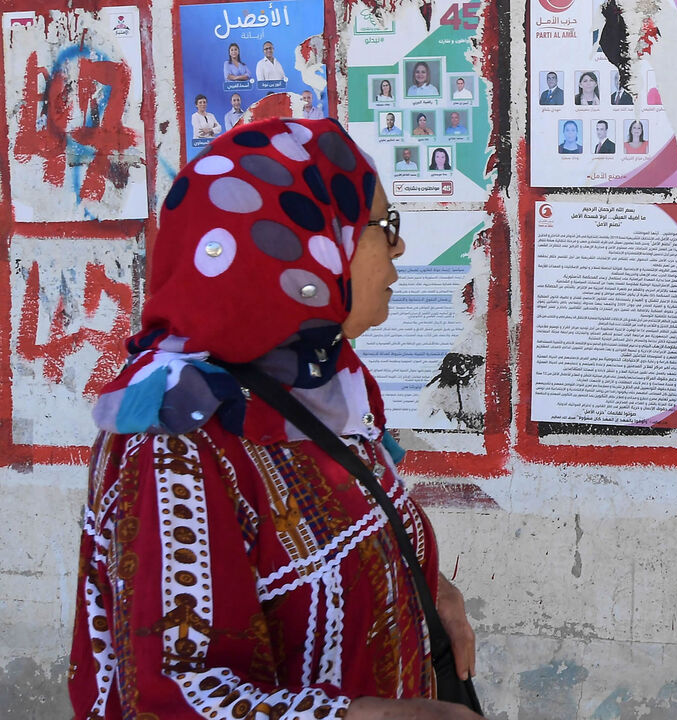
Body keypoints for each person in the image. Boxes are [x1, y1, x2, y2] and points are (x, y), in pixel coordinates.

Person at [70, 118, 481, 720]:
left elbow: (344, 535)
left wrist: (426, 588)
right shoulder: (178, 441)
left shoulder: (318, 383)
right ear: (304, 241)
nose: (397, 248)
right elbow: (174, 696)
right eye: (382, 226)